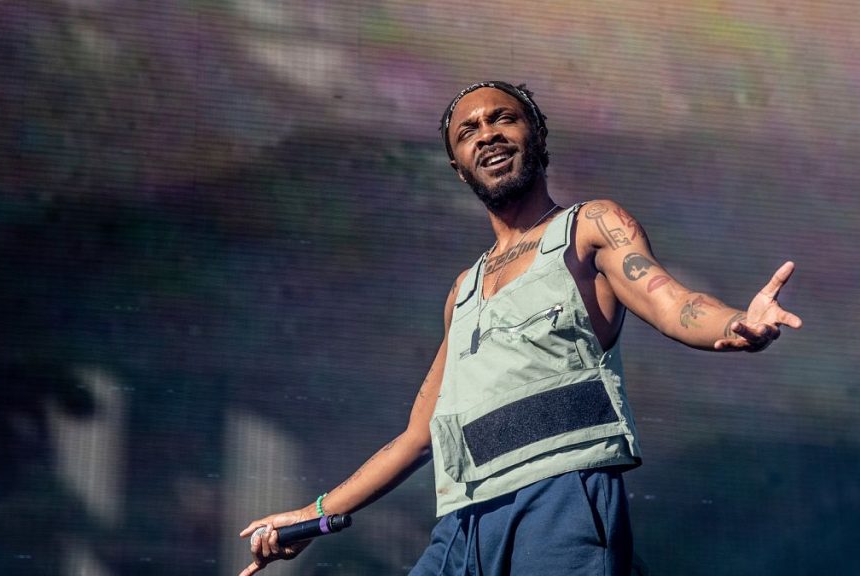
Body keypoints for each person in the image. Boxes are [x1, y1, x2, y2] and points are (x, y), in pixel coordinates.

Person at [238, 81, 803, 576]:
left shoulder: (589, 228)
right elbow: (419, 436)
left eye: (503, 118)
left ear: (536, 137)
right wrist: (313, 515)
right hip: (463, 524)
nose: (486, 133)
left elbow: (671, 300)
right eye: (468, 130)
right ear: (458, 165)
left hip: (559, 502)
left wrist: (736, 323)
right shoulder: (463, 291)